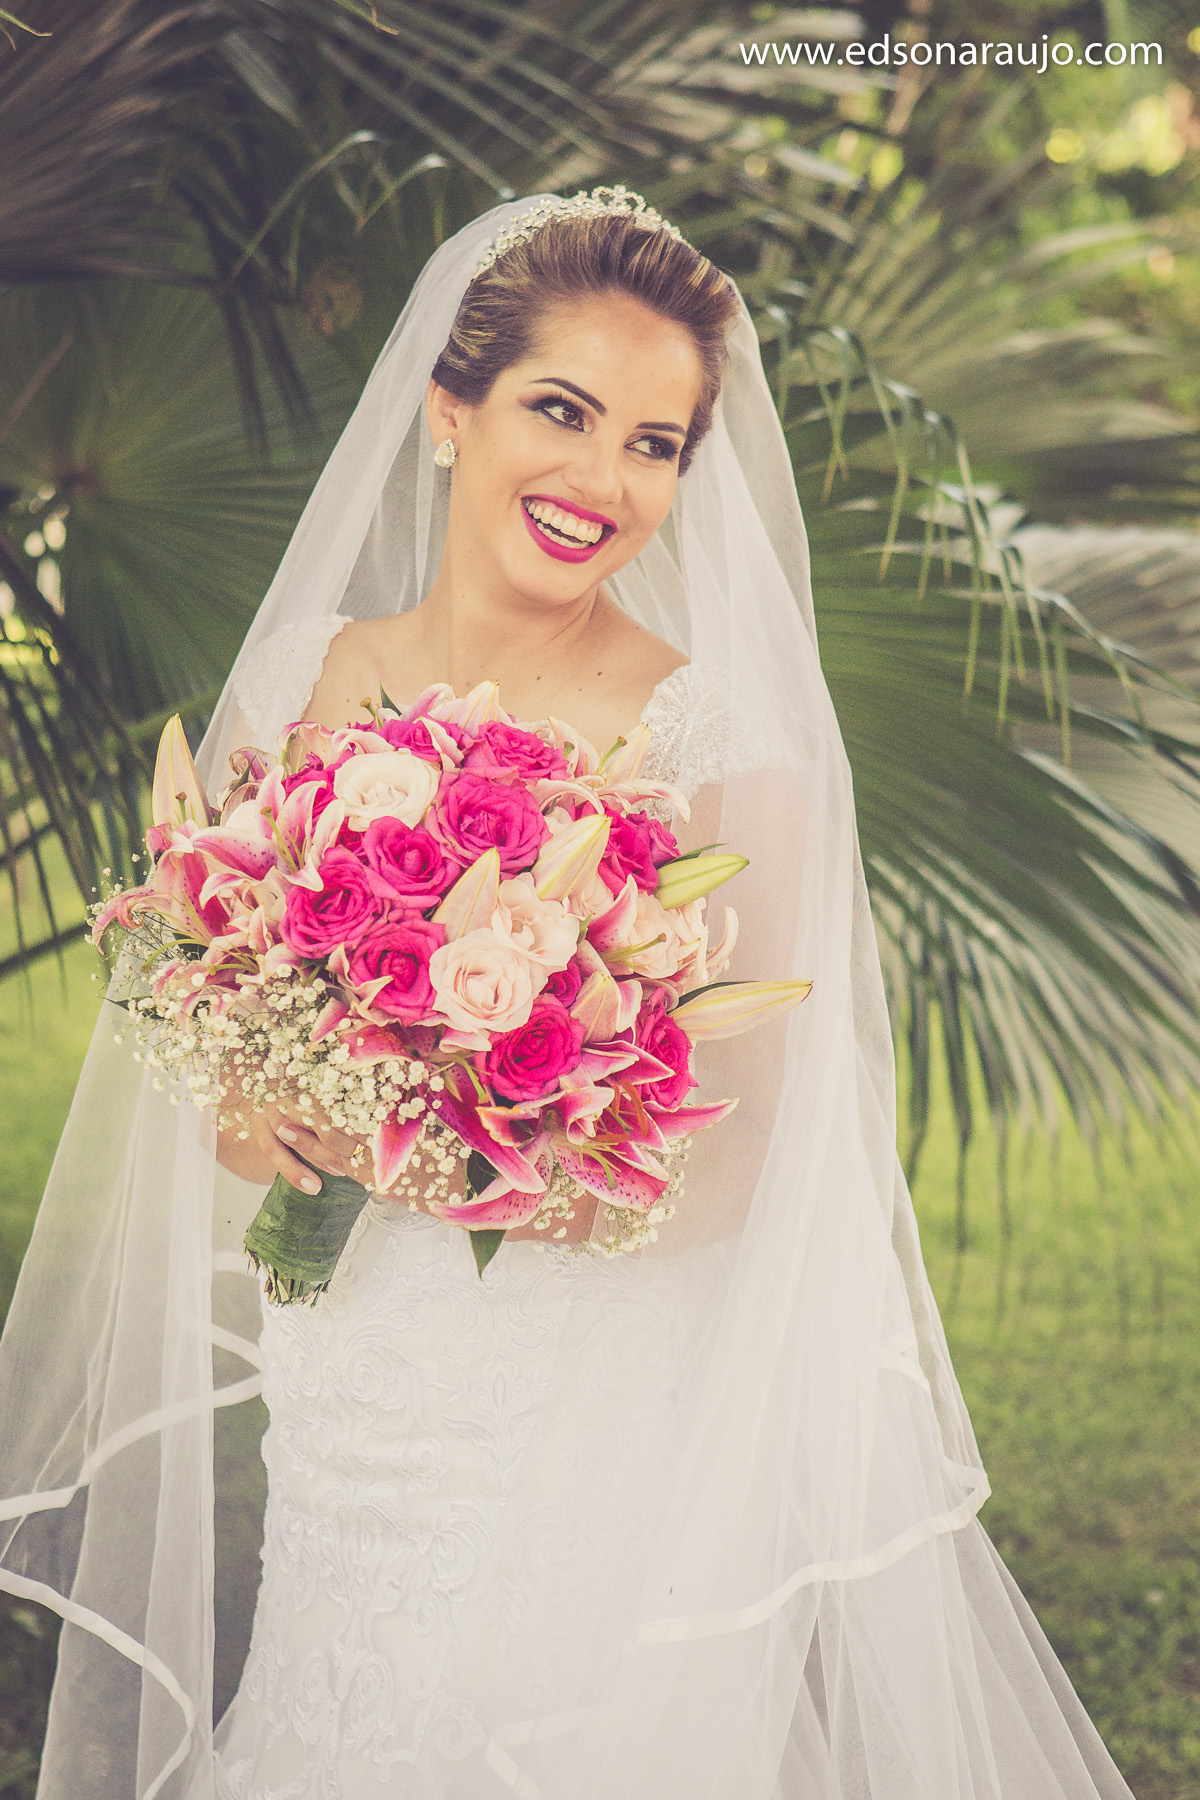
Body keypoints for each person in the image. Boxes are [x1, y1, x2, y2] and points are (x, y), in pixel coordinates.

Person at [0, 190, 1134, 1800]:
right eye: (563, 411)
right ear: (449, 413)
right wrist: (268, 1115)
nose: (605, 481)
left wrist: (435, 1129)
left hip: (584, 1421)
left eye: (657, 444)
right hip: (351, 1406)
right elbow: (222, 1062)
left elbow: (738, 1168)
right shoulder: (311, 678)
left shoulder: (721, 741)